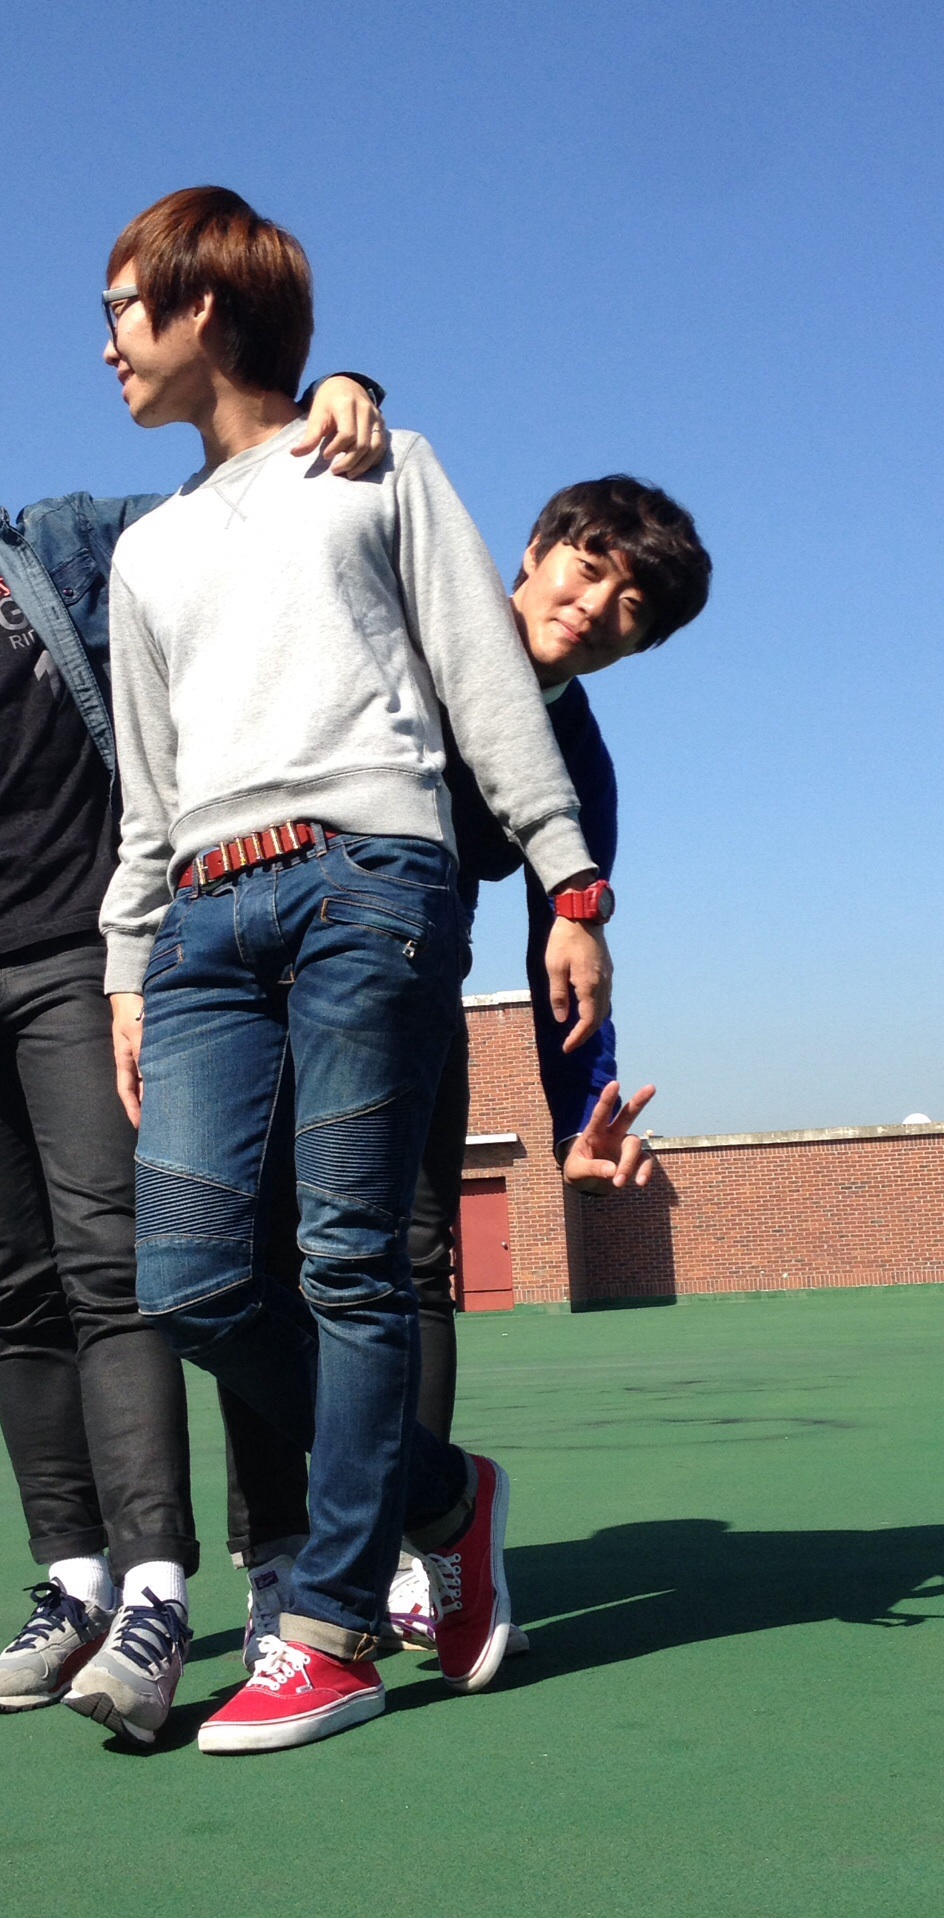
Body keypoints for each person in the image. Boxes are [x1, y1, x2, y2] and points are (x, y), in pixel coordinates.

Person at [0, 308, 386, 1743]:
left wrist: (339, 390)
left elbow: (234, 483)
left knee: (120, 1273)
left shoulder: (59, 545)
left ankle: (159, 1590)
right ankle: (73, 1583)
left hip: (87, 964)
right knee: (13, 1295)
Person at [94, 186, 614, 1755]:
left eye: (125, 308)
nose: (108, 343)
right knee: (187, 1280)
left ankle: (324, 1632)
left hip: (368, 884)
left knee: (351, 1262)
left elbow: (482, 676)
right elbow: (146, 786)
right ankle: (444, 1495)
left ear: (203, 305)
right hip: (200, 920)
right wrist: (127, 965)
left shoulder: (380, 467)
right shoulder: (143, 550)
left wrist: (570, 877)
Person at [221, 475, 713, 1659]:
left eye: (634, 607)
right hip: (257, 963)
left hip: (407, 995)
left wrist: (581, 1116)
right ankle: (277, 1544)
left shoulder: (577, 756)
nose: (598, 606)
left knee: (411, 1256)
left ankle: (418, 1541)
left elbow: (570, 952)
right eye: (589, 566)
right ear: (535, 549)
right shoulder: (397, 619)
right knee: (245, 1264)